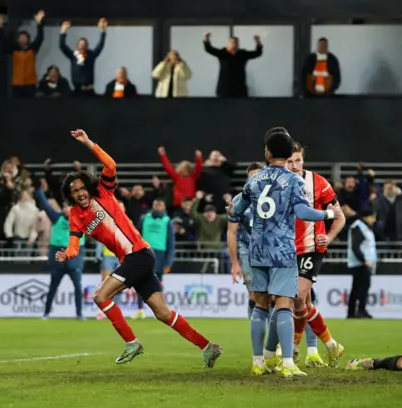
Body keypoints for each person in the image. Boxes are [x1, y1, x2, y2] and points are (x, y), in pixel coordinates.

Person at [56, 129, 222, 368]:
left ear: (88, 187)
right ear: (70, 195)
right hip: (135, 259)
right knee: (162, 313)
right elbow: (73, 246)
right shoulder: (75, 216)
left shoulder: (103, 192)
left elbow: (110, 164)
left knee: (100, 296)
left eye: (82, 187)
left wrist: (88, 143)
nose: (80, 192)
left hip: (138, 255)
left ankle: (132, 342)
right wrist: (67, 254)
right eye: (75, 191)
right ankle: (208, 347)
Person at [227, 129, 342, 377]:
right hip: (282, 250)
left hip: (257, 249)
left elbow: (236, 212)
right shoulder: (294, 181)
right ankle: (288, 363)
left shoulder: (253, 180)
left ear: (267, 153)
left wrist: (232, 210)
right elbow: (303, 212)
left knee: (259, 305)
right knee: (284, 305)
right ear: (289, 154)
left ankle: (258, 361)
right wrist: (328, 214)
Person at [286, 142, 346, 367]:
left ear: (303, 159)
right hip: (287, 249)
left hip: (312, 248)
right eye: (289, 161)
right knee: (303, 303)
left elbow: (339, 217)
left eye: (297, 160)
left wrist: (328, 237)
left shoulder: (319, 183)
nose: (294, 165)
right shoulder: (281, 182)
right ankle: (331, 345)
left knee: (298, 297)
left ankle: (293, 347)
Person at [35, 186, 85, 320]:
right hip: (58, 260)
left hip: (74, 260)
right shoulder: (57, 219)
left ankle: (79, 314)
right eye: (65, 207)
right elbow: (45, 205)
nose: (67, 209)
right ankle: (46, 313)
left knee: (78, 288)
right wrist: (39, 191)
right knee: (52, 288)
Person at [227, 162, 264, 318]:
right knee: (254, 296)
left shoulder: (275, 197)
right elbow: (231, 233)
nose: (254, 180)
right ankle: (255, 330)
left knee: (273, 296)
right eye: (251, 177)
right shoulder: (238, 200)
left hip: (269, 249)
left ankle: (273, 336)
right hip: (247, 249)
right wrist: (235, 263)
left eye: (258, 176)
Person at [132, 198, 175, 320]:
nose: (158, 208)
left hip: (160, 257)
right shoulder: (145, 218)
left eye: (160, 206)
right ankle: (140, 310)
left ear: (164, 208)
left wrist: (168, 262)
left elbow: (171, 243)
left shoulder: (167, 221)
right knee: (140, 283)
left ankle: (160, 311)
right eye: (156, 205)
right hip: (145, 253)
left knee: (156, 287)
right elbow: (136, 235)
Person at [0, 10, 45, 98]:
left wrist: (39, 23)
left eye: (24, 37)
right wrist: (0, 27)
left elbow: (40, 38)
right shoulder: (15, 50)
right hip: (17, 83)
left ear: (28, 40)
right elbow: (3, 41)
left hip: (30, 83)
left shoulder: (32, 49)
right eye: (20, 37)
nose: (22, 39)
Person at [203, 33, 263, 98]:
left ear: (238, 45)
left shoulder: (242, 54)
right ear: (228, 44)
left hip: (240, 89)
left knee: (241, 106)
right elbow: (209, 49)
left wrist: (258, 42)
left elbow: (257, 53)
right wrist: (207, 39)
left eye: (236, 43)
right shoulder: (223, 53)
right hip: (224, 89)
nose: (234, 45)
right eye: (232, 43)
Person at [94, 200, 126, 320]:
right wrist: (98, 250)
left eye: (121, 207)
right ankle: (101, 309)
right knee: (105, 283)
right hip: (108, 255)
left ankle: (116, 309)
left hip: (122, 257)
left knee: (119, 284)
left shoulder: (128, 222)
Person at [59, 18, 107, 97]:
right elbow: (62, 46)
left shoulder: (91, 55)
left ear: (86, 46)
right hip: (77, 91)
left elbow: (100, 45)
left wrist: (103, 31)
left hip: (89, 90)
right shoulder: (73, 55)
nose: (82, 45)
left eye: (84, 44)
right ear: (77, 46)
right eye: (80, 44)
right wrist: (63, 31)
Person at [347, 208, 377, 319]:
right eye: (372, 217)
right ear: (365, 217)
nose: (374, 220)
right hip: (361, 263)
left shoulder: (363, 227)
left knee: (356, 288)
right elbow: (355, 246)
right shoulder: (359, 227)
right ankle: (360, 310)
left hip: (362, 263)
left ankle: (352, 312)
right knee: (362, 287)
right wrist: (364, 259)